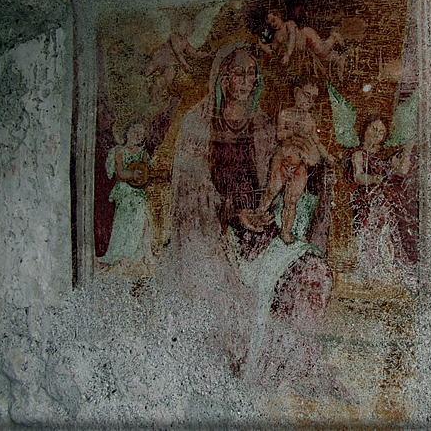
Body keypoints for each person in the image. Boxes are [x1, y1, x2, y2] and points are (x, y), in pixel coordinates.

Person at [171, 42, 335, 385]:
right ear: (221, 78)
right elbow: (192, 194)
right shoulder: (197, 124)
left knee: (314, 272)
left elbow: (281, 176)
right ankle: (250, 377)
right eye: (238, 73)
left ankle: (290, 371)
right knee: (227, 296)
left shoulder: (263, 125)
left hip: (263, 226)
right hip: (216, 234)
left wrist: (310, 163)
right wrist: (234, 213)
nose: (246, 81)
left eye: (252, 73)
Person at [256, 74, 335, 244]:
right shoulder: (285, 114)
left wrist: (328, 156)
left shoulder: (310, 121)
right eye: (307, 95)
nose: (309, 101)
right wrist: (294, 133)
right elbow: (280, 134)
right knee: (271, 190)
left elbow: (317, 141)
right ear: (297, 92)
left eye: (313, 98)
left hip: (299, 165)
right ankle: (258, 216)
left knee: (291, 200)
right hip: (283, 161)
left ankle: (286, 231)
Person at [347, 113, 418, 292]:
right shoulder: (358, 154)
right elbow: (358, 176)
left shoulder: (385, 157)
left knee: (387, 236)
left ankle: (389, 272)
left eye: (381, 132)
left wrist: (408, 147)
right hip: (367, 201)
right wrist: (373, 178)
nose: (377, 134)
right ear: (365, 130)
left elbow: (402, 170)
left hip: (384, 201)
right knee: (367, 235)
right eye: (374, 129)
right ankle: (369, 274)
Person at [98, 118, 154, 269]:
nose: (138, 136)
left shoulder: (143, 154)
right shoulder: (119, 151)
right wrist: (133, 175)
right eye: (135, 132)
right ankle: (119, 254)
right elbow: (120, 173)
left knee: (139, 222)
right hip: (125, 193)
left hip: (139, 194)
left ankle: (134, 255)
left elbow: (147, 172)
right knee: (123, 223)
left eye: (141, 133)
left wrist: (144, 177)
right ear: (126, 132)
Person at [261, 10, 345, 78]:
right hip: (305, 48)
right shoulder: (277, 35)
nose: (273, 24)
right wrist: (264, 47)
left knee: (321, 50)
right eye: (270, 24)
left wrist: (288, 55)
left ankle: (334, 36)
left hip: (308, 36)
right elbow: (274, 48)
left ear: (279, 16)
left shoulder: (289, 24)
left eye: (273, 20)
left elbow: (292, 39)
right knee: (321, 59)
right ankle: (338, 58)